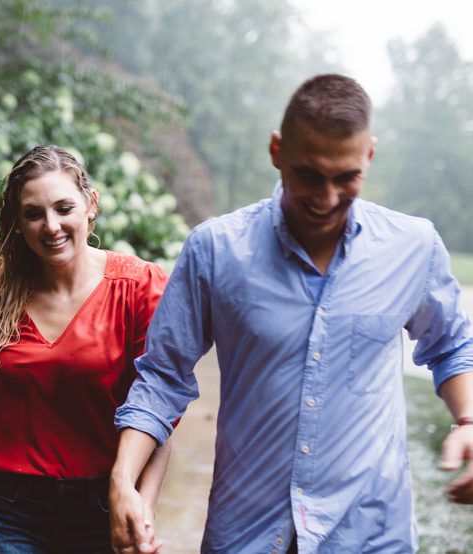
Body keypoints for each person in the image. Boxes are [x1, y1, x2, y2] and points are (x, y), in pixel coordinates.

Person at [109, 74, 473, 553]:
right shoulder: (216, 250)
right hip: (247, 533)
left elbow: (450, 345)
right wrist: (123, 481)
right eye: (309, 174)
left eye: (346, 178)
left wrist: (468, 422)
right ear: (276, 151)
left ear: (369, 155)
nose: (326, 198)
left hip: (369, 533)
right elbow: (162, 378)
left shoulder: (413, 247)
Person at [0, 145, 171, 553]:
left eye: (64, 208)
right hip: (10, 506)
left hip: (101, 504)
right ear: (18, 222)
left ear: (91, 205)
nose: (51, 226)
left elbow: (157, 408)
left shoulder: (139, 288)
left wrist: (143, 507)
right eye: (34, 213)